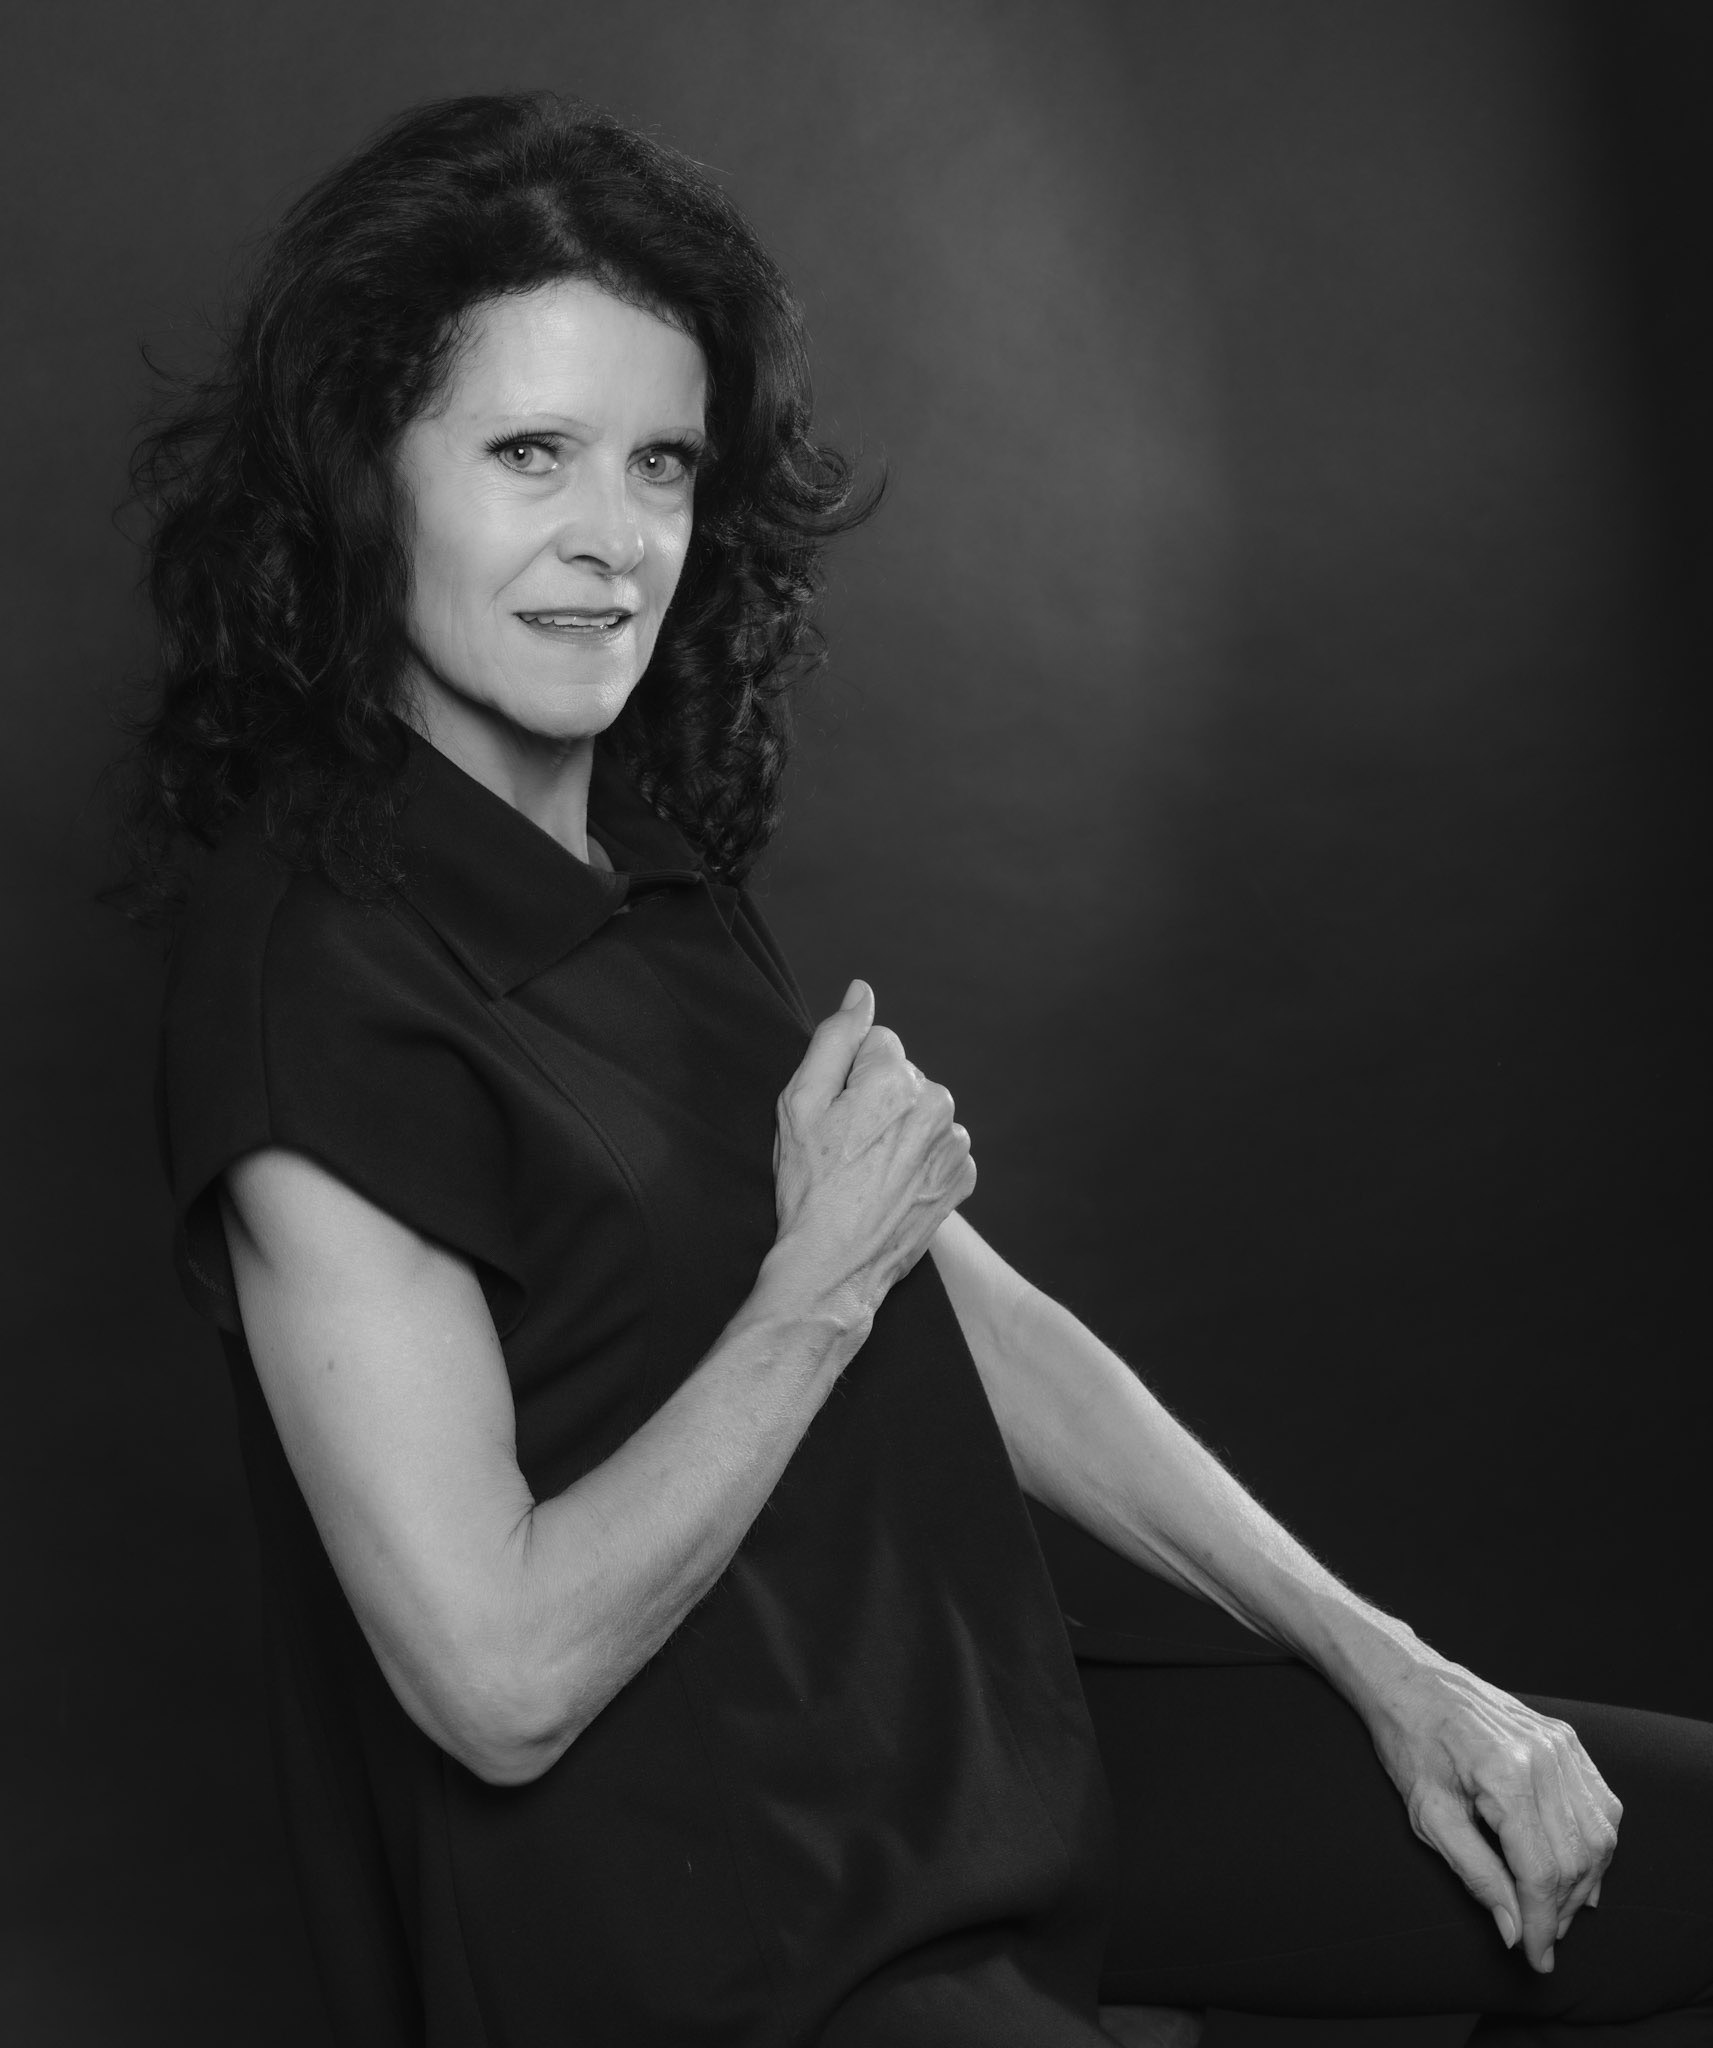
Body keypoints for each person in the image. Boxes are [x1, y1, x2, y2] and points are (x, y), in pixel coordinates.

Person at [120, 93, 1712, 2047]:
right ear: (365, 477)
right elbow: (496, 1681)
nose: (611, 541)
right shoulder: (307, 975)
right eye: (528, 453)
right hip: (714, 1905)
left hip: (970, 1742)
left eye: (658, 463)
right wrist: (813, 1289)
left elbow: (946, 1292)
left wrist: (1388, 1663)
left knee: (1664, 1844)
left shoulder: (635, 858)